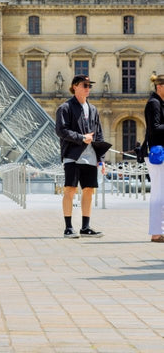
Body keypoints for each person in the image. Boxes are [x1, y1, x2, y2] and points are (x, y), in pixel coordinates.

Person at [55, 75, 111, 237]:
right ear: (75, 87)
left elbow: (99, 135)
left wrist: (101, 159)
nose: (88, 88)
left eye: (89, 85)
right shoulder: (65, 108)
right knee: (70, 189)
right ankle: (68, 227)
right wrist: (81, 138)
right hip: (72, 155)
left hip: (91, 156)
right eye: (84, 85)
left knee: (88, 190)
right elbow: (61, 130)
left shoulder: (93, 109)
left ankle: (85, 227)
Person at [144, 72, 164, 241]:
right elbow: (155, 128)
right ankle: (156, 233)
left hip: (159, 152)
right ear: (159, 87)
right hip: (158, 153)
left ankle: (159, 231)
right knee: (159, 193)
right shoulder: (154, 104)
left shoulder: (158, 103)